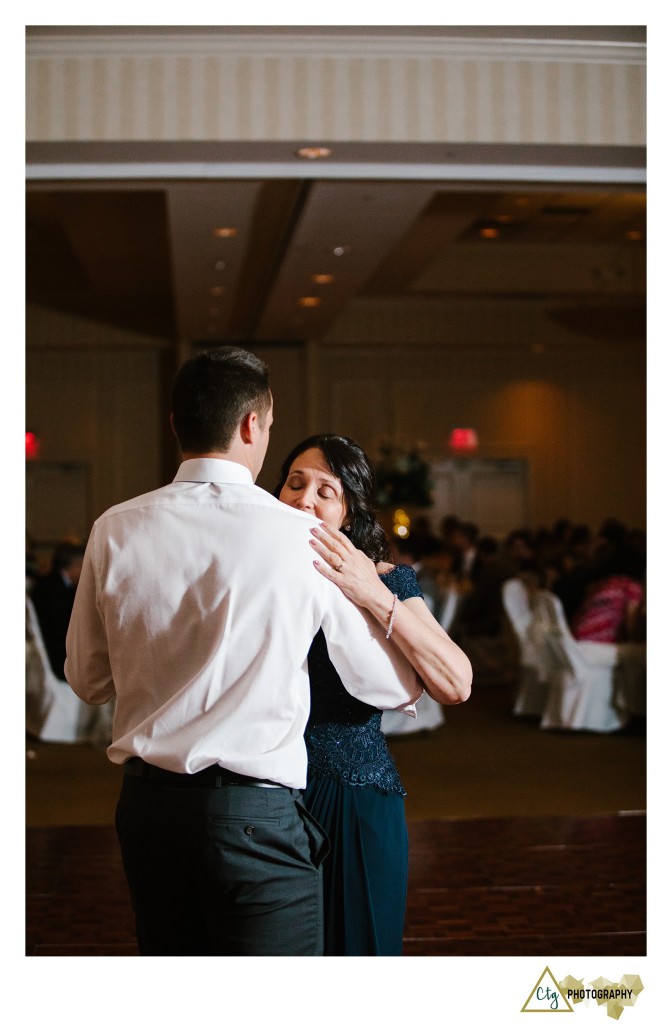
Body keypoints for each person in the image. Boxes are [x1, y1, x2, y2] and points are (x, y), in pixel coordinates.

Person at [65, 348, 422, 957]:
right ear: (253, 425)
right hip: (253, 814)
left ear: (175, 425)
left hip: (148, 809)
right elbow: (387, 687)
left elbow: (87, 680)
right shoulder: (302, 537)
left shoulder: (114, 527)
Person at [276, 434, 472, 955]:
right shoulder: (258, 577)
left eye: (326, 491)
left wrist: (372, 594)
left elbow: (456, 682)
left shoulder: (386, 579)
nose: (304, 499)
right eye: (295, 484)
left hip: (352, 793)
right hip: (265, 794)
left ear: (349, 512)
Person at [31, 541, 85, 679]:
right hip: (54, 654)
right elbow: (61, 626)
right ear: (76, 565)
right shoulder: (51, 588)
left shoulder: (59, 583)